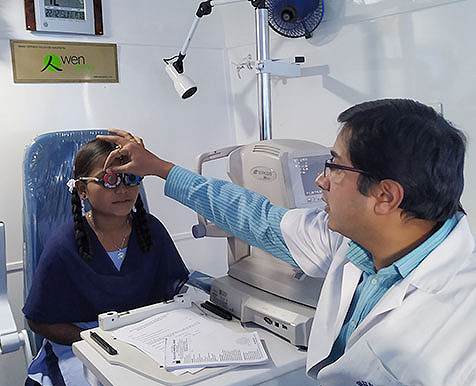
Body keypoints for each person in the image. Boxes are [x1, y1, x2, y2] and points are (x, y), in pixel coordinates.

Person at [98, 98, 476, 386]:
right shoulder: (353, 243)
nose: (320, 181)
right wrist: (160, 169)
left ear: (385, 196)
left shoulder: (461, 322)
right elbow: (257, 218)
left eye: (334, 166)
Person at [22, 138, 189, 386]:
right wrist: (94, 339)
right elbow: (38, 319)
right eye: (109, 180)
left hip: (145, 340)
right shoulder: (63, 245)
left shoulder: (152, 231)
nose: (122, 190)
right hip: (83, 343)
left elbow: (173, 291)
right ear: (82, 190)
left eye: (131, 178)